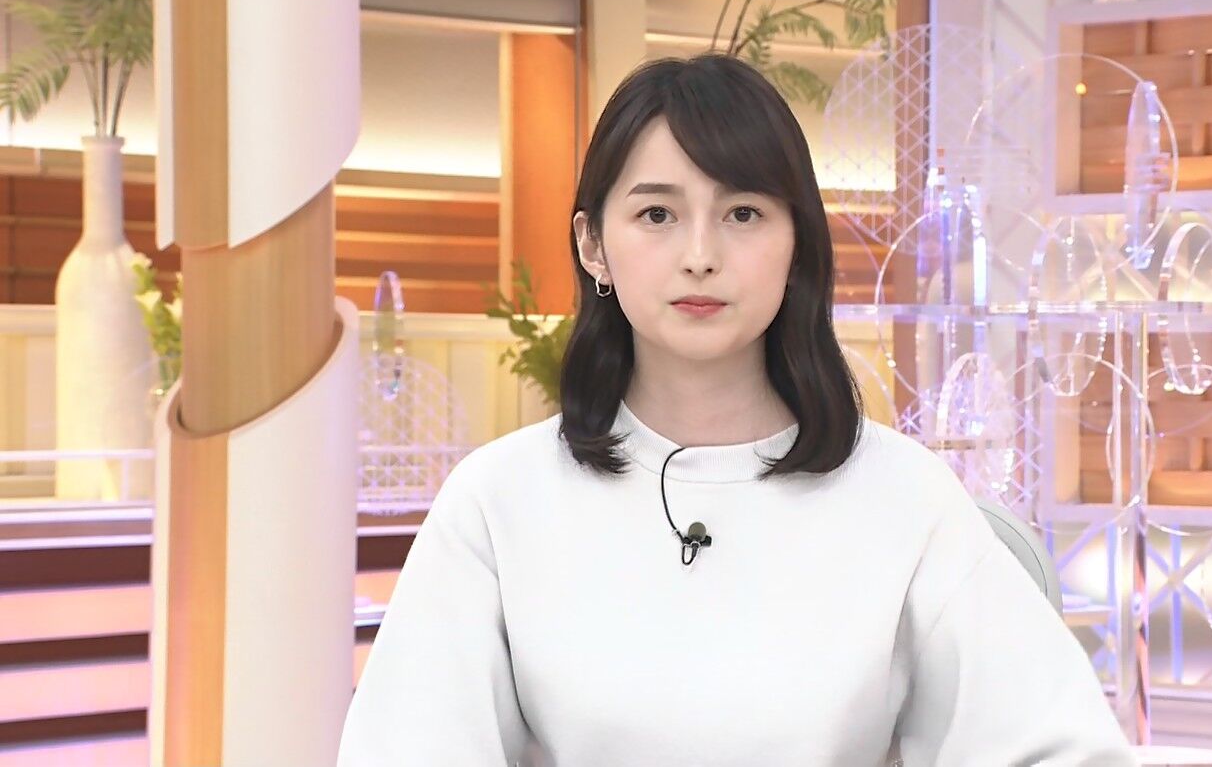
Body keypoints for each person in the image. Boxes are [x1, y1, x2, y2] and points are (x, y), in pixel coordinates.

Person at [336, 54, 1135, 767]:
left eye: (743, 213)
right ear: (592, 245)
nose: (700, 256)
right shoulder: (497, 501)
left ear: (797, 244)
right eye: (657, 214)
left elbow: (1060, 748)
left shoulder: (907, 498)